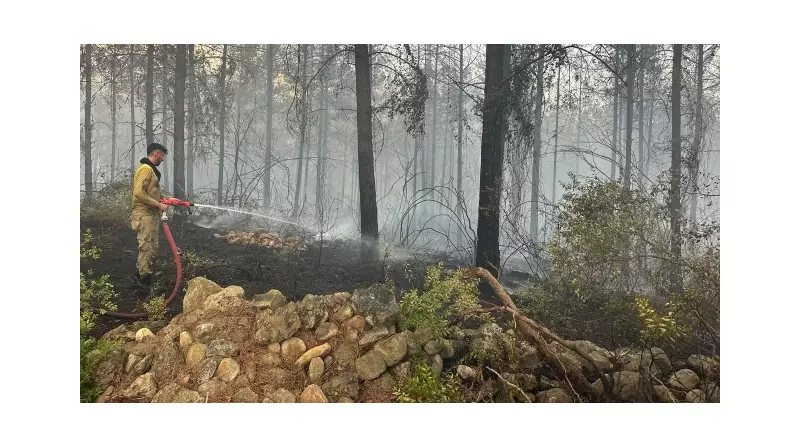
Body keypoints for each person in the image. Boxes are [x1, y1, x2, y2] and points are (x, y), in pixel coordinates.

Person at [131, 142, 170, 285]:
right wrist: (159, 205)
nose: (163, 159)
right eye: (163, 156)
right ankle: (143, 282)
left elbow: (149, 192)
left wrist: (164, 199)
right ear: (157, 154)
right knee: (146, 248)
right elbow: (138, 193)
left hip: (150, 216)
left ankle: (143, 276)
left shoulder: (150, 170)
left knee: (152, 248)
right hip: (144, 216)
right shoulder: (146, 169)